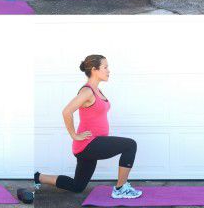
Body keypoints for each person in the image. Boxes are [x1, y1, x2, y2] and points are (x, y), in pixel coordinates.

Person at [34, 54, 141, 200]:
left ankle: (38, 177)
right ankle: (120, 188)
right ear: (94, 69)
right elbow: (67, 111)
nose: (109, 70)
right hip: (88, 144)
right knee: (130, 145)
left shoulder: (97, 90)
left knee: (77, 186)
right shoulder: (87, 91)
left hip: (90, 145)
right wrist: (74, 135)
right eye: (105, 67)